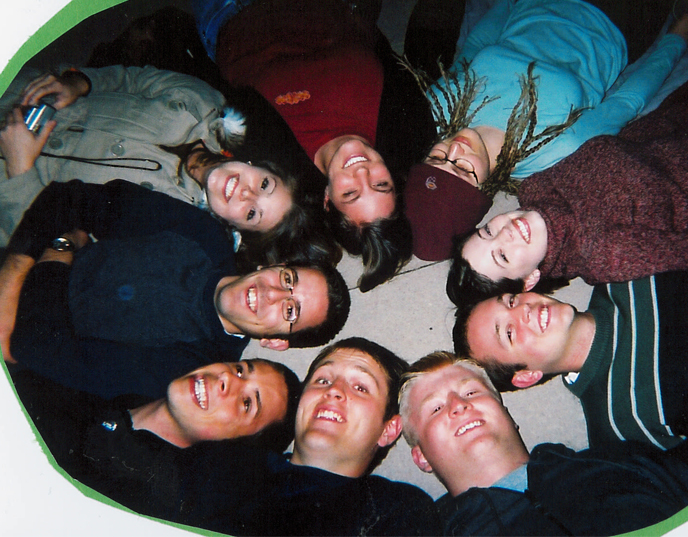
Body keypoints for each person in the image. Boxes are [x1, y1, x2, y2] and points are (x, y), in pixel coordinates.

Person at [446, 76, 688, 304]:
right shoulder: (601, 254)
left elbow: (631, 142)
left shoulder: (537, 186)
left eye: (487, 231)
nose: (504, 233)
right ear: (529, 280)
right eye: (502, 256)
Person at [453, 258, 688, 484]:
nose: (523, 312)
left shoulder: (621, 269)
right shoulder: (618, 433)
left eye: (511, 301)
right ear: (527, 376)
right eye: (509, 333)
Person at [403, 0, 688, 260]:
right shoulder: (553, 148)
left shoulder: (442, 107)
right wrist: (676, 40)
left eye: (436, 158)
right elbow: (626, 102)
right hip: (612, 20)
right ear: (485, 189)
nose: (455, 148)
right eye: (462, 169)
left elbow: (476, 45)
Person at [1, 179, 350, 398]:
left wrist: (61, 249)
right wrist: (22, 266)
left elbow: (38, 349)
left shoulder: (193, 370)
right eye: (288, 279)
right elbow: (71, 197)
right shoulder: (202, 235)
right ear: (272, 266)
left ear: (275, 342)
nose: (273, 294)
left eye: (290, 310)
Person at [193, 0, 437, 291]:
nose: (362, 172)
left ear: (327, 199)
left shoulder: (273, 159)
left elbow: (214, 95)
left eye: (351, 193)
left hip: (234, 12)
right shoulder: (410, 130)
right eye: (381, 185)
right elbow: (387, 55)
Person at [0, 64, 325, 251]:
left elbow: (54, 246)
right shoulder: (205, 103)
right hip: (18, 90)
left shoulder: (165, 229)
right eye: (265, 184)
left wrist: (20, 171)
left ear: (235, 228)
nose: (247, 193)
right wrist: (80, 82)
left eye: (252, 213)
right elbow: (131, 78)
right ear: (258, 166)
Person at [398, 352, 688, 535]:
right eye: (435, 408)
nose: (459, 405)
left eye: (471, 392)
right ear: (421, 457)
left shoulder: (620, 459)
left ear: (507, 415)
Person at [169, 337, 438, 535]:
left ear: (388, 429)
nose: (333, 390)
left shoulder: (397, 511)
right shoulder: (223, 464)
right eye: (322, 380)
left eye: (360, 387)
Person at [8, 357, 301, 523]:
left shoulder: (140, 493)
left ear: (234, 444)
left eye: (247, 403)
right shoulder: (119, 383)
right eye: (240, 370)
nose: (229, 379)